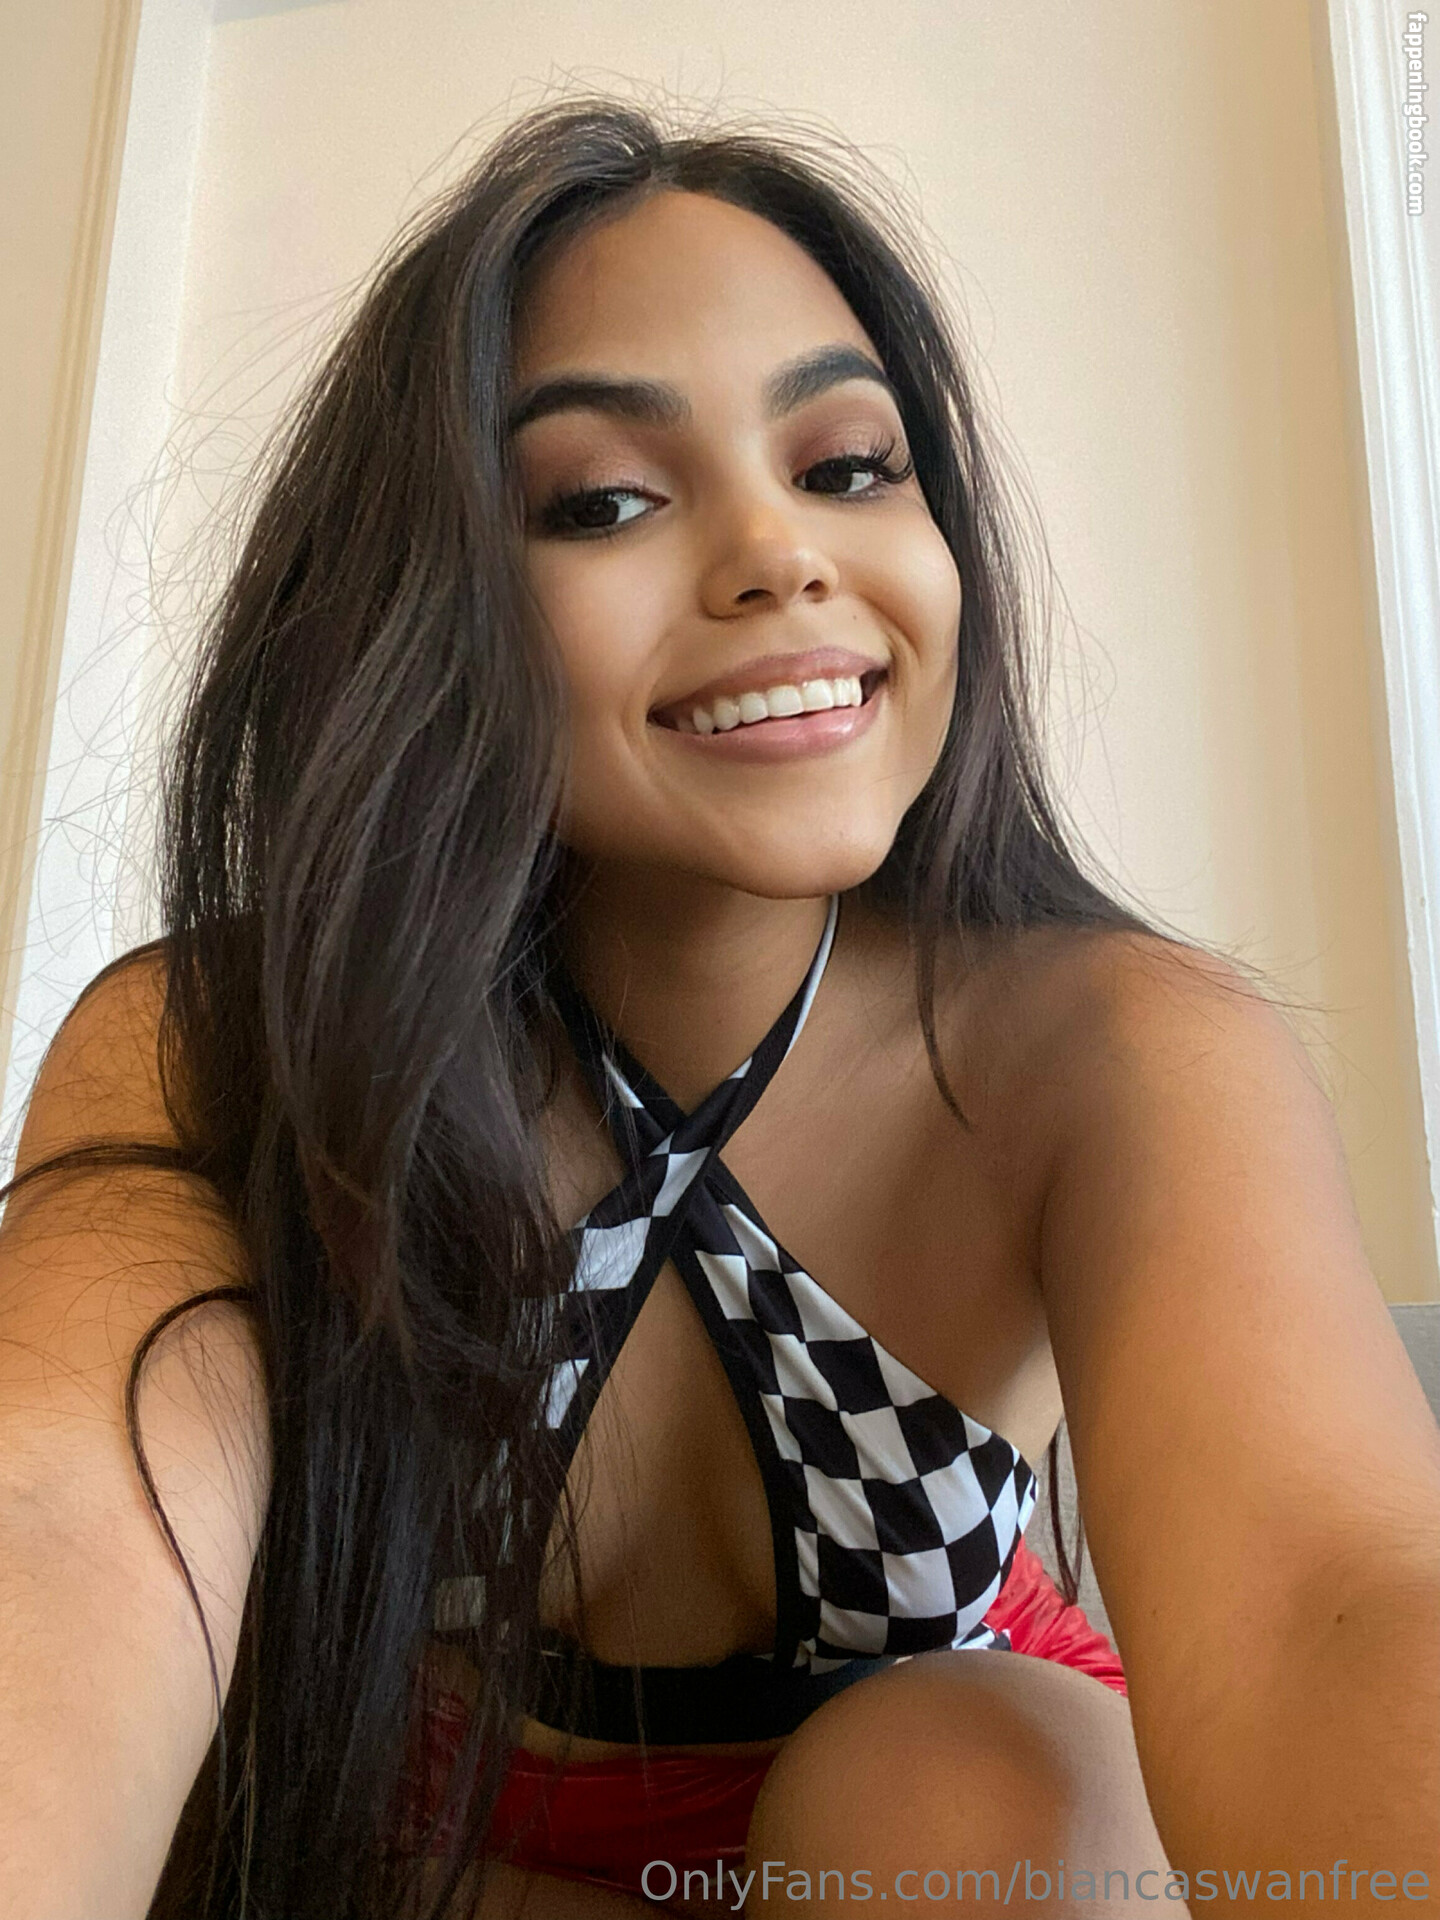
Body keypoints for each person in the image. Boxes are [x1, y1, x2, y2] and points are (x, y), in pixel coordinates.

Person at [0, 97, 1436, 1920]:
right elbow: (57, 1525)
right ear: (424, 601)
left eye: (848, 467)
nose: (781, 554)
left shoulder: (1117, 1054)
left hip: (943, 1870)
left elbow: (1332, 1603)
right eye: (604, 499)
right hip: (432, 1846)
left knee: (957, 1783)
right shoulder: (227, 1047)